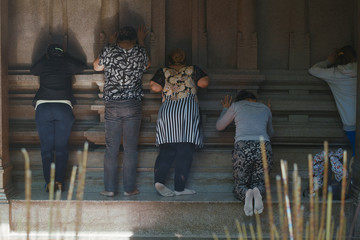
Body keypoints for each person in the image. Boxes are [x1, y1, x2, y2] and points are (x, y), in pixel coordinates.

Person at [93, 25, 150, 197]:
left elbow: (96, 66)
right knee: (130, 149)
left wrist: (109, 44)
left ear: (118, 38)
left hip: (113, 105)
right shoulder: (140, 52)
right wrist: (141, 42)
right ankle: (129, 188)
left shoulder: (110, 50)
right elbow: (147, 65)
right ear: (133, 38)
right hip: (133, 104)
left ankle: (110, 188)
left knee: (111, 149)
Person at [149, 48, 210, 197]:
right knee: (185, 151)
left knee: (166, 150)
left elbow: (155, 87)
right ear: (184, 60)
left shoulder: (163, 71)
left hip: (168, 113)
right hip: (187, 113)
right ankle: (180, 188)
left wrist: (170, 82)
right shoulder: (193, 69)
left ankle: (160, 181)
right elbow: (204, 83)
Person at [30, 43, 86, 192]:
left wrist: (45, 56)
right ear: (62, 53)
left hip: (43, 107)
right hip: (63, 107)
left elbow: (33, 70)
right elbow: (81, 66)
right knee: (61, 148)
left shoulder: (44, 64)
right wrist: (66, 56)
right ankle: (60, 182)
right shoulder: (67, 64)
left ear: (48, 53)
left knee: (46, 149)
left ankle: (49, 182)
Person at [216, 90, 274, 216]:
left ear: (240, 99)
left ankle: (246, 193)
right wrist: (267, 112)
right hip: (263, 147)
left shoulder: (236, 106)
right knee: (261, 182)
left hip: (243, 147)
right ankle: (257, 191)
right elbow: (271, 132)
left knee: (240, 183)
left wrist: (226, 109)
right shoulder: (265, 108)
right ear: (254, 99)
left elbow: (220, 126)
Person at [308, 45, 357, 156]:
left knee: (356, 153)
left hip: (350, 123)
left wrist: (328, 61)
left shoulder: (334, 73)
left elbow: (313, 70)